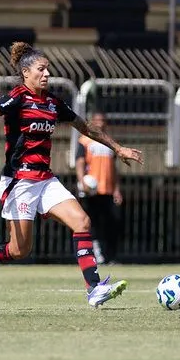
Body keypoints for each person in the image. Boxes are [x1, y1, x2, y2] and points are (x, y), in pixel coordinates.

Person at [0, 42, 143, 307]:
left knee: (82, 222)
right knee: (19, 251)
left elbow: (85, 127)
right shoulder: (17, 97)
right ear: (26, 73)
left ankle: (94, 288)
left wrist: (118, 147)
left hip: (45, 180)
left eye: (48, 70)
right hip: (19, 181)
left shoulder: (53, 103)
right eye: (41, 69)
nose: (46, 74)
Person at [75, 112, 123, 265]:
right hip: (91, 190)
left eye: (102, 121)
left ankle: (111, 256)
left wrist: (116, 189)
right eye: (97, 121)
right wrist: (82, 181)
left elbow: (114, 168)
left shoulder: (110, 142)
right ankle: (94, 254)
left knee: (111, 223)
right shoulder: (85, 140)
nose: (100, 123)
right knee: (91, 223)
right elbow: (80, 162)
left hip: (108, 189)